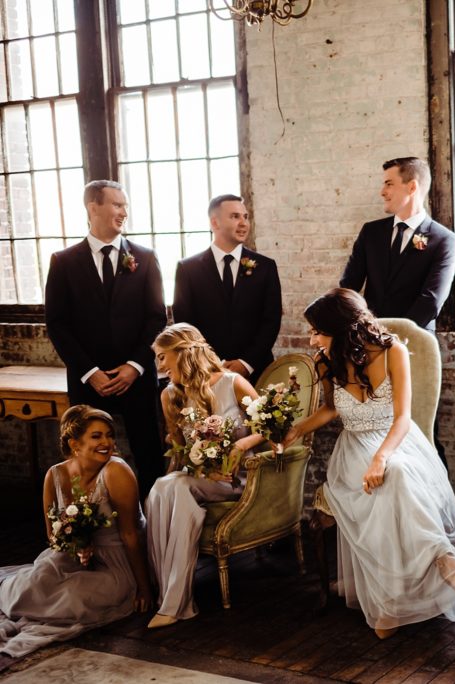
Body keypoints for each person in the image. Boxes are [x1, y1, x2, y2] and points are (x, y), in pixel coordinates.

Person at [282, 288, 455, 640]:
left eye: (317, 330)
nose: (312, 337)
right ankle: (426, 577)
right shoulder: (325, 360)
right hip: (352, 449)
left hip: (396, 442)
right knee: (389, 481)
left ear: (339, 327)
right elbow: (332, 409)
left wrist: (381, 457)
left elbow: (404, 417)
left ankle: (431, 572)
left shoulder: (395, 350)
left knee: (397, 474)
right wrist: (298, 428)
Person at [45, 180, 167, 496]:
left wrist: (135, 366)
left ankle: (153, 529)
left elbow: (157, 318)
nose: (123, 212)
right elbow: (57, 324)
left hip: (136, 378)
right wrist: (90, 373)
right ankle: (89, 526)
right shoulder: (63, 261)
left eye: (124, 206)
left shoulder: (146, 257)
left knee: (149, 455)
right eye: (117, 204)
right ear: (93, 207)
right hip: (88, 380)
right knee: (86, 459)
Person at [0, 405, 152, 660]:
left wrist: (145, 588)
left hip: (118, 561)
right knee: (34, 583)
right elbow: (52, 536)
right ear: (75, 444)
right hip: (75, 555)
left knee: (73, 596)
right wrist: (77, 546)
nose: (107, 442)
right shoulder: (56, 475)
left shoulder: (116, 472)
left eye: (109, 434)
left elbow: (131, 535)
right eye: (96, 436)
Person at [340, 157, 455, 467]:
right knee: (372, 434)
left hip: (415, 352)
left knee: (420, 432)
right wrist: (368, 343)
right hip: (366, 350)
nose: (382, 191)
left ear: (412, 186)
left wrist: (389, 344)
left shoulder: (445, 240)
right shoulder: (371, 233)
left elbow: (431, 302)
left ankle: (433, 506)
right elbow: (349, 291)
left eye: (388, 183)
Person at [145, 323, 263, 629]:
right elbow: (180, 450)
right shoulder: (170, 395)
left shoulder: (233, 382)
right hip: (199, 478)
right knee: (162, 487)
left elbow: (269, 427)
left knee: (177, 488)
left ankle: (175, 604)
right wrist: (202, 466)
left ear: (183, 353)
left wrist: (241, 443)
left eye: (162, 357)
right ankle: (170, 597)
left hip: (236, 480)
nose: (159, 366)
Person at [172, 194, 283, 382]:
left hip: (256, 371)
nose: (243, 223)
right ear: (214, 223)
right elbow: (185, 323)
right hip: (207, 373)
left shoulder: (265, 266)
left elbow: (271, 320)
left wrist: (246, 362)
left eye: (245, 217)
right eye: (235, 216)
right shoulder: (188, 269)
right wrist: (212, 364)